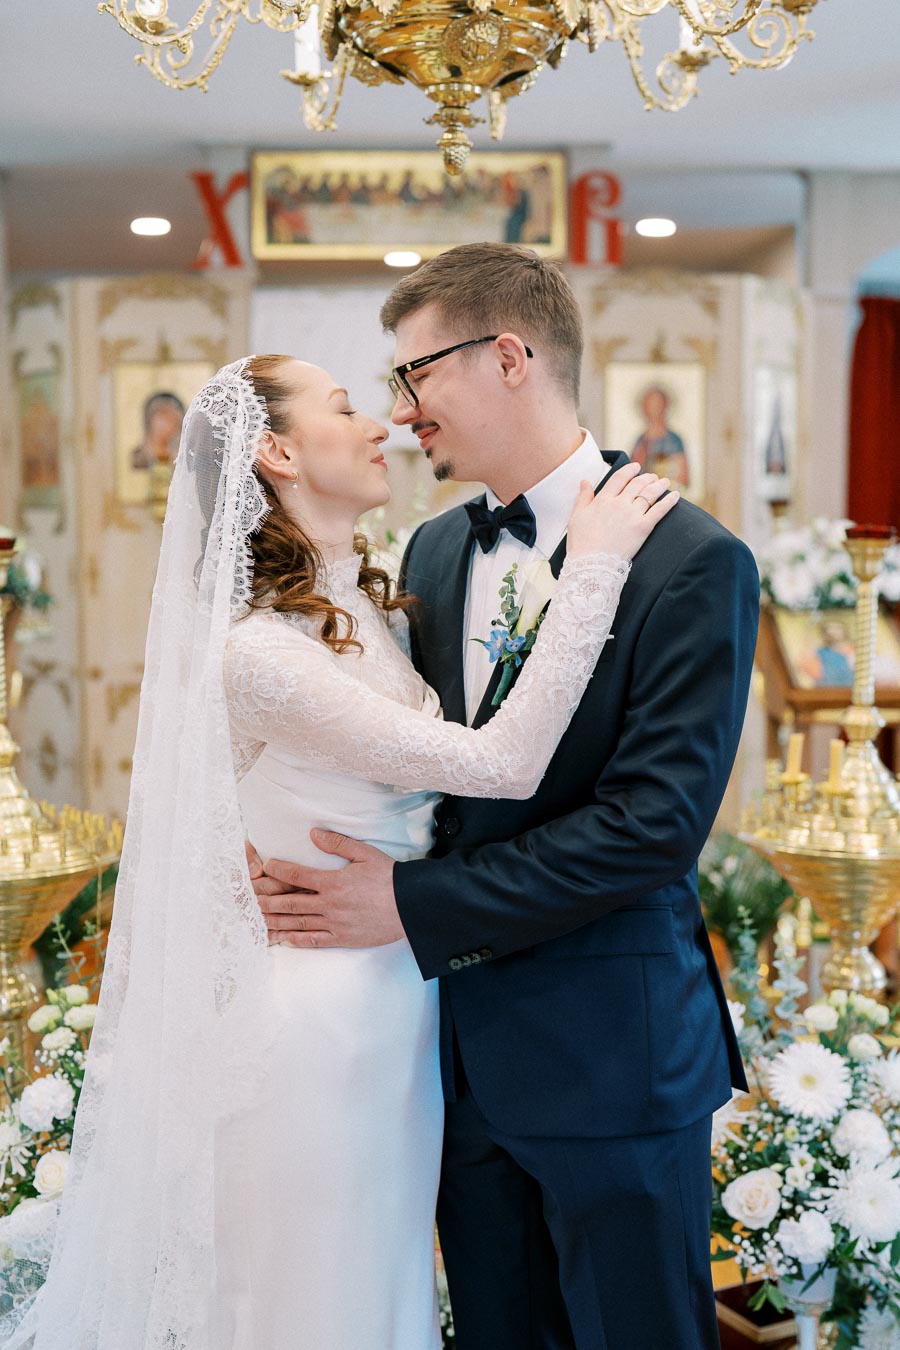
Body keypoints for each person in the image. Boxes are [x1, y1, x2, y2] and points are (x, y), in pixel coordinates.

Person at [0, 353, 674, 1349]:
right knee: (307, 1295)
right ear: (277, 450)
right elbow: (504, 760)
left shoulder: (370, 595)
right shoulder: (262, 650)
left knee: (379, 1278)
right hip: (312, 1023)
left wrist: (239, 844)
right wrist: (598, 563)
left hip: (399, 999)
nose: (384, 426)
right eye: (349, 407)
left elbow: (235, 783)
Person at [251, 243, 760, 1350]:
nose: (401, 410)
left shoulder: (690, 558)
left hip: (612, 1055)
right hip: (449, 1060)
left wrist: (413, 905)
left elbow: (653, 829)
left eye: (416, 374)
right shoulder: (430, 550)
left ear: (511, 356)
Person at [632, 383, 690, 487]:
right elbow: (632, 473)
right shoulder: (641, 441)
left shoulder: (674, 441)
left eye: (657, 405)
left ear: (665, 407)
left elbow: (684, 479)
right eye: (650, 405)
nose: (654, 409)